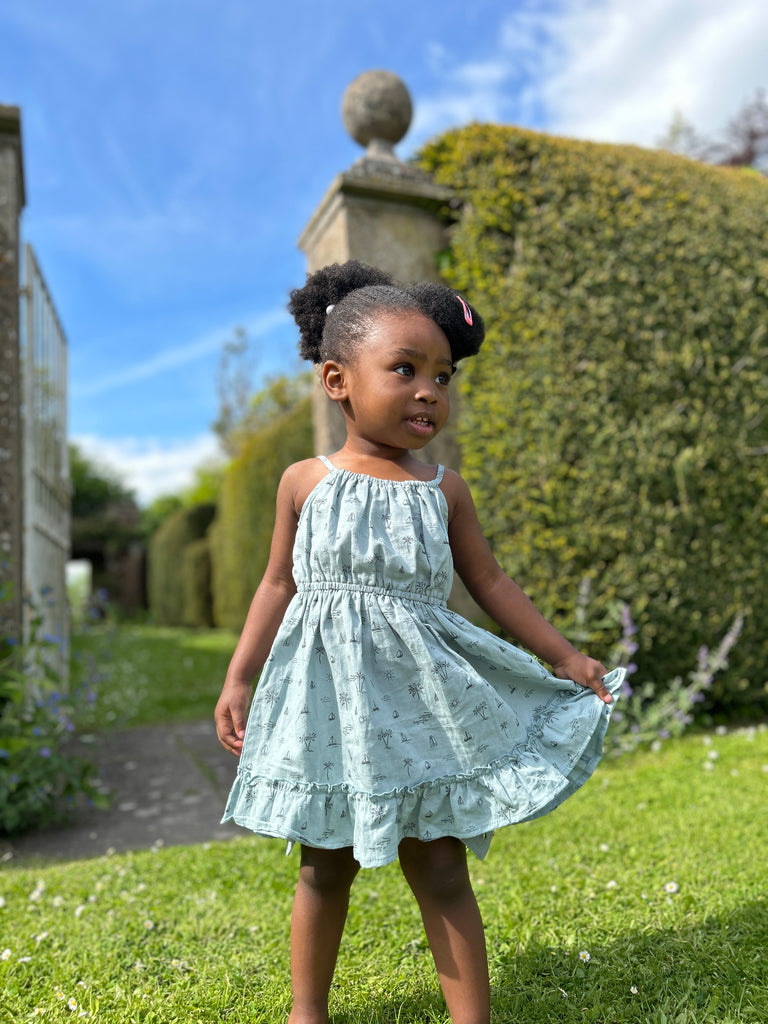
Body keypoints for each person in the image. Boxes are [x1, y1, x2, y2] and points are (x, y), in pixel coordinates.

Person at [214, 260, 623, 1024]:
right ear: (337, 381)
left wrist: (564, 656)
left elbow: (492, 584)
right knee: (322, 863)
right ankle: (308, 1013)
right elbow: (276, 584)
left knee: (440, 862)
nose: (430, 390)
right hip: (329, 706)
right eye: (405, 370)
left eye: (443, 376)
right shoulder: (304, 481)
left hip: (422, 708)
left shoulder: (445, 490)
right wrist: (239, 678)